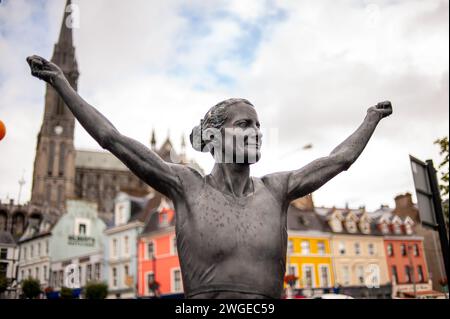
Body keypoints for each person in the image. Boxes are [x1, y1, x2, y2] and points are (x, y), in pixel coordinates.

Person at [26, 55, 392, 299]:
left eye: (259, 126)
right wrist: (63, 86)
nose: (256, 132)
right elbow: (113, 139)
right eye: (244, 125)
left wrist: (369, 119)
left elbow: (338, 159)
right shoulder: (186, 186)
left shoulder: (277, 188)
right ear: (214, 137)